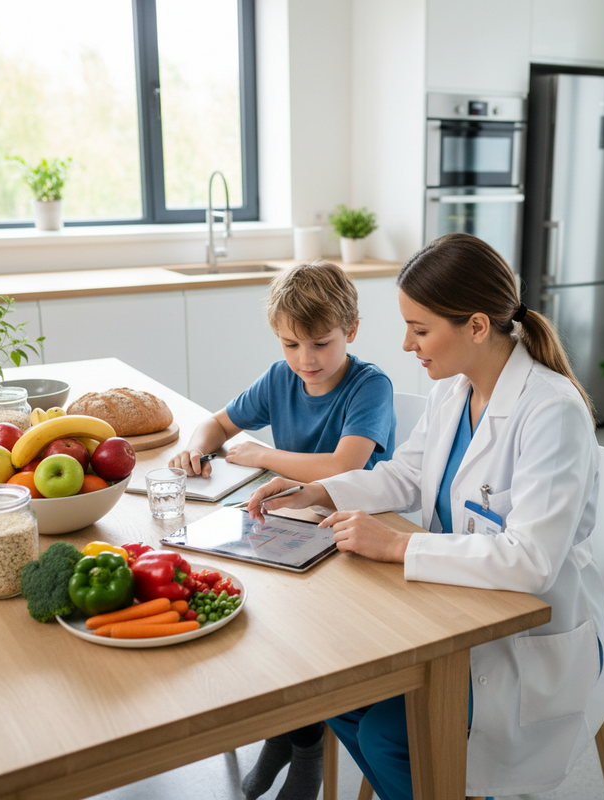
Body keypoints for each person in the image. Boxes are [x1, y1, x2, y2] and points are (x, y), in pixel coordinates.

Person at [245, 233, 604, 800]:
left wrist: (396, 546)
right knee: (333, 695)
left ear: (476, 326)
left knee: (387, 736)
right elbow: (406, 475)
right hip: (449, 609)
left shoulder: (552, 411)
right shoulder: (455, 388)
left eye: (419, 330)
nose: (406, 344)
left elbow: (533, 561)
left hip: (518, 640)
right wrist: (318, 491)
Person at [170, 261, 396, 800]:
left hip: (347, 532)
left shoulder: (370, 386)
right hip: (286, 524)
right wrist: (196, 449)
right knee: (256, 614)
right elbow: (218, 423)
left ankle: (306, 744)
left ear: (351, 331)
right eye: (291, 344)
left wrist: (264, 454)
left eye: (320, 343)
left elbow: (344, 466)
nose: (305, 360)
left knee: (301, 629)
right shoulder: (280, 377)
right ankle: (286, 733)